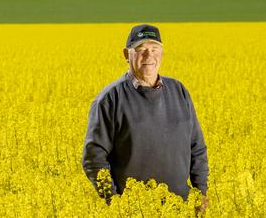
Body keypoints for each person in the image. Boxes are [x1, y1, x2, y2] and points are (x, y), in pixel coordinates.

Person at [81, 24, 209, 212]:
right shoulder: (109, 99)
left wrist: (201, 193)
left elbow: (196, 147)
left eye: (154, 49)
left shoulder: (179, 91)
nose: (149, 56)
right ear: (127, 54)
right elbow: (94, 158)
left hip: (181, 207)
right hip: (134, 209)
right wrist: (115, 203)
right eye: (141, 50)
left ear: (162, 53)